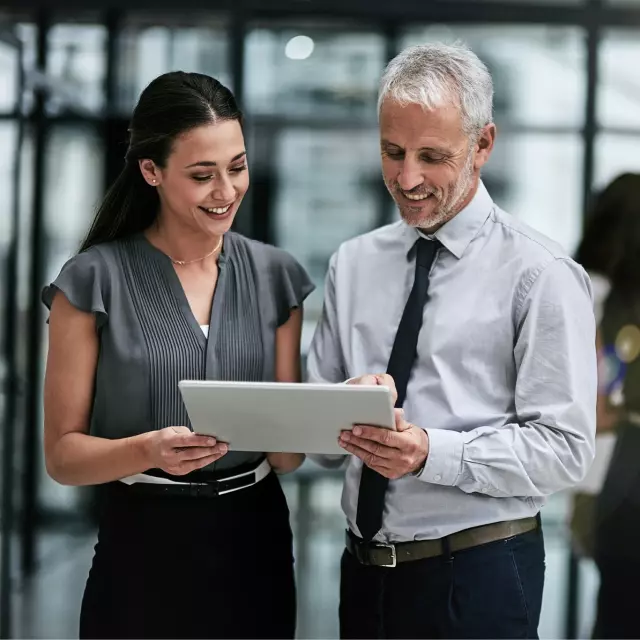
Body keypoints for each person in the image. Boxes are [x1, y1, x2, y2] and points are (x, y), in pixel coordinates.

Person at [308, 42, 596, 639]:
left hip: (480, 575)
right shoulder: (354, 262)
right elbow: (322, 450)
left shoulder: (540, 275)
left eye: (432, 156)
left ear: (483, 144)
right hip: (363, 575)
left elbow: (565, 448)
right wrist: (339, 408)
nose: (407, 178)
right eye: (392, 152)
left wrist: (431, 453)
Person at [42, 71, 314, 640]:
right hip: (143, 540)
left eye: (237, 167)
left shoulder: (277, 277)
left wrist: (335, 408)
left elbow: (287, 458)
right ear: (151, 171)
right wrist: (147, 450)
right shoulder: (92, 281)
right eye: (201, 175)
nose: (226, 191)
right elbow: (63, 458)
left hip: (255, 537)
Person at [582, 174, 640, 639]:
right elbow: (601, 401)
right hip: (615, 477)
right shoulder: (604, 300)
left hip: (599, 481)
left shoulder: (578, 288)